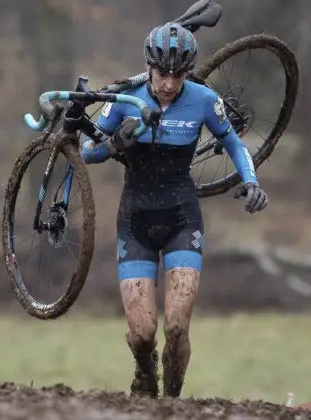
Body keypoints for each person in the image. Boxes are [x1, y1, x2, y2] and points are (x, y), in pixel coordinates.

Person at [79, 22, 269, 399]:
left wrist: (251, 180)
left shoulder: (202, 99)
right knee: (142, 333)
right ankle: (143, 372)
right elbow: (88, 151)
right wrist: (115, 143)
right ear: (149, 67)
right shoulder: (126, 99)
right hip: (135, 223)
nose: (169, 83)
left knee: (178, 326)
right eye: (162, 73)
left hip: (182, 219)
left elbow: (234, 142)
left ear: (187, 72)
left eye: (178, 75)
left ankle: (173, 403)